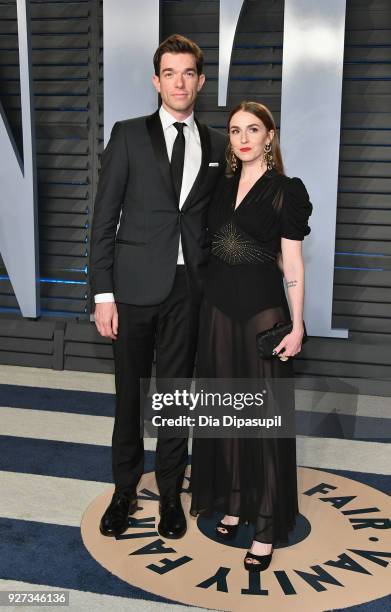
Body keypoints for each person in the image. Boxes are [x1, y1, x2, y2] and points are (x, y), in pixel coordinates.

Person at [90, 34, 226, 539]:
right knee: (129, 395)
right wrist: (102, 293)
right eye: (170, 73)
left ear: (201, 80)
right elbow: (104, 219)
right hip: (130, 290)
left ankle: (170, 494)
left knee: (175, 396)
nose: (179, 82)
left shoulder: (215, 143)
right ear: (156, 80)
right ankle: (125, 491)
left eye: (188, 73)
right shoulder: (127, 135)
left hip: (188, 290)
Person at [190, 101, 312, 571]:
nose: (242, 137)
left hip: (263, 314)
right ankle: (236, 499)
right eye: (235, 130)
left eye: (252, 129)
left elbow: (293, 262)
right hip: (217, 313)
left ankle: (265, 522)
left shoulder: (285, 191)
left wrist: (297, 324)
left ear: (269, 136)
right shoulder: (218, 187)